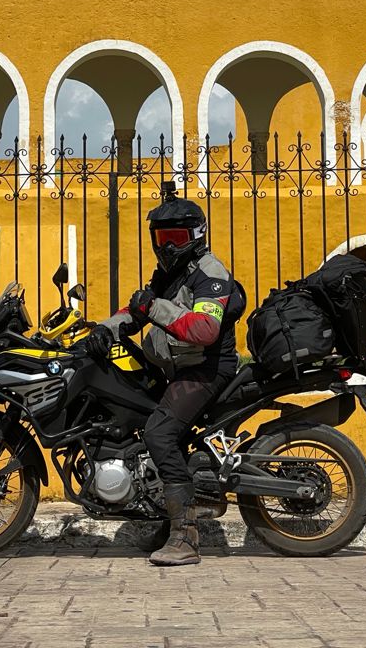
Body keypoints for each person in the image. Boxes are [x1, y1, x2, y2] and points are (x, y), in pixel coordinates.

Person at [83, 183, 245, 566]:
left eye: (176, 237)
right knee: (140, 422)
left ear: (196, 236)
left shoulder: (211, 273)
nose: (167, 245)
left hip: (206, 369)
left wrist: (153, 307)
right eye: (162, 237)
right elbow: (139, 310)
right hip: (176, 368)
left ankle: (185, 538)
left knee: (159, 432)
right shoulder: (170, 273)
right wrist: (108, 327)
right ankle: (164, 512)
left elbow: (203, 329)